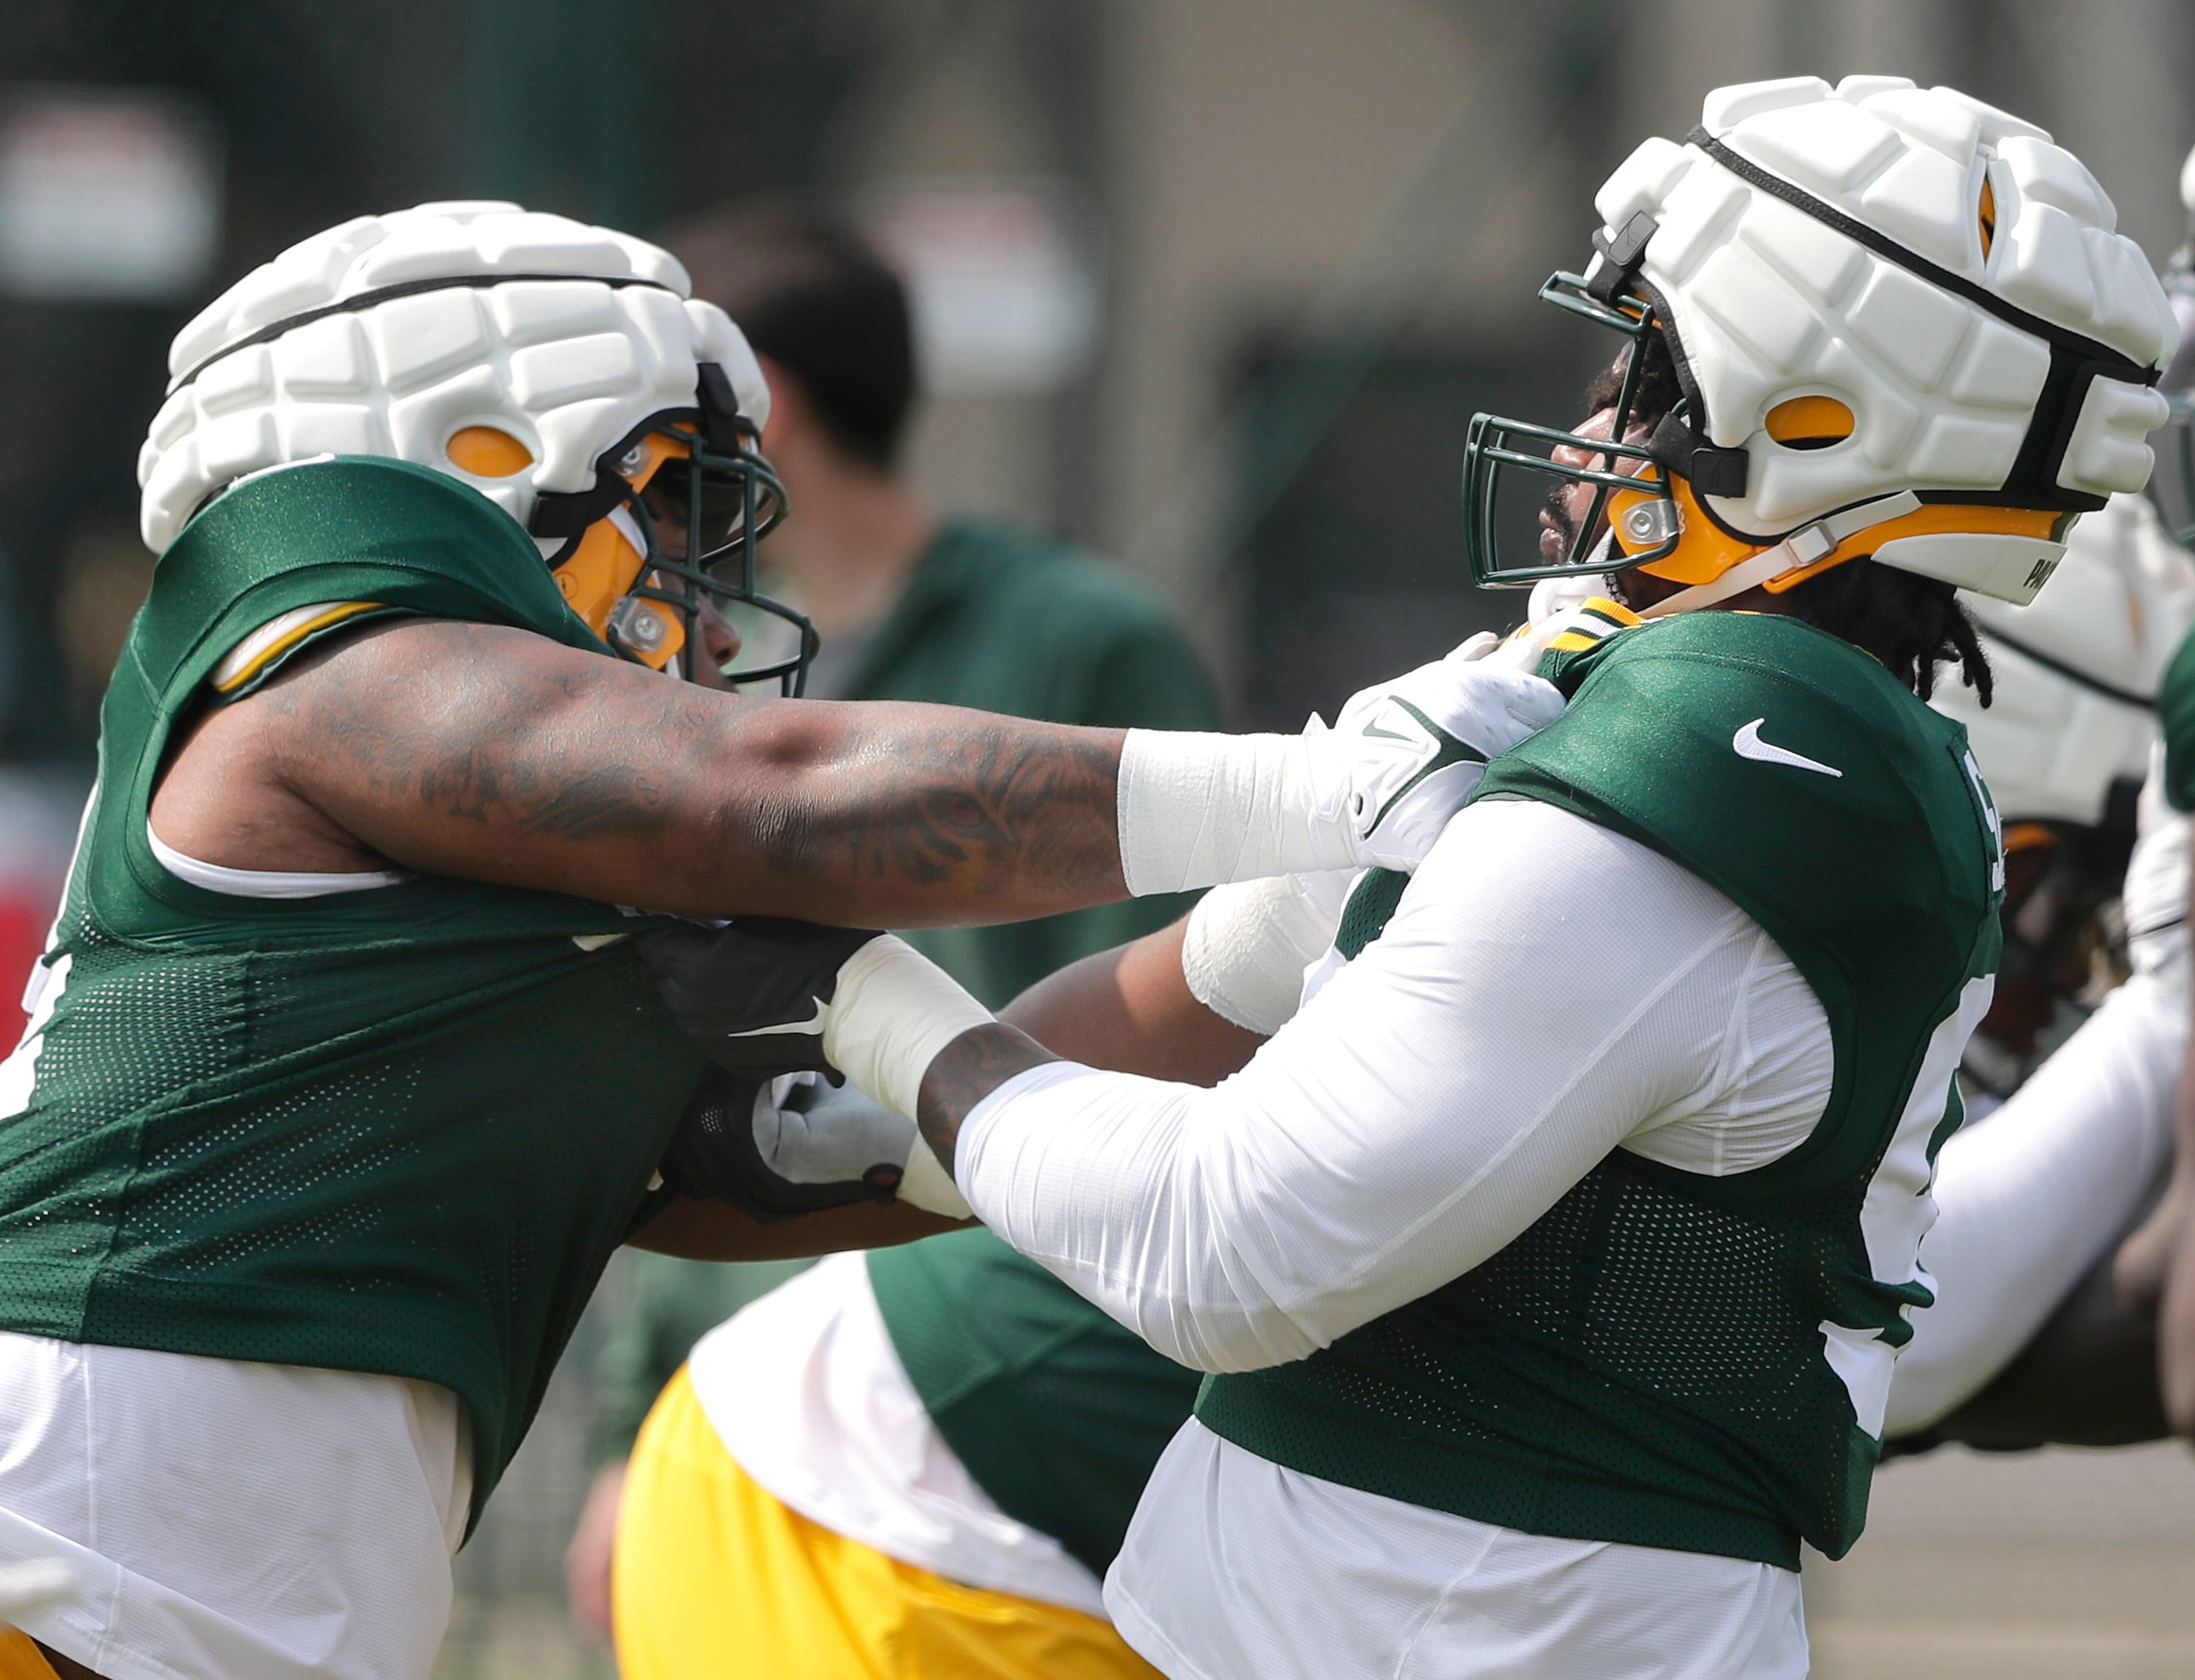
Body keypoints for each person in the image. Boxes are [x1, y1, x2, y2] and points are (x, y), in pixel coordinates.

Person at [645, 76, 2180, 1678]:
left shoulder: (1707, 786)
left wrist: (868, 1002)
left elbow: (1222, 1248)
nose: (1596, 415)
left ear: (1817, 426)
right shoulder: (1675, 713)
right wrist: (877, 1141)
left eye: (1649, 363)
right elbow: (1221, 975)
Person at [0, 200, 1555, 1680]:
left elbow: (834, 1138)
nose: (722, 613)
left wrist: (1240, 956)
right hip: (70, 1539)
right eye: (672, 505)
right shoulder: (326, 668)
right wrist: (1323, 788)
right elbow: (782, 798)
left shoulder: (492, 863)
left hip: (188, 1590)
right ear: (476, 450)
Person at [571, 208, 1222, 1674]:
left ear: (763, 405)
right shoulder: (695, 674)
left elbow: (1192, 1036)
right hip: (736, 1408)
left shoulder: (1079, 643)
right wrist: (634, 1422)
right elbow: (681, 1079)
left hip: (983, 1422)